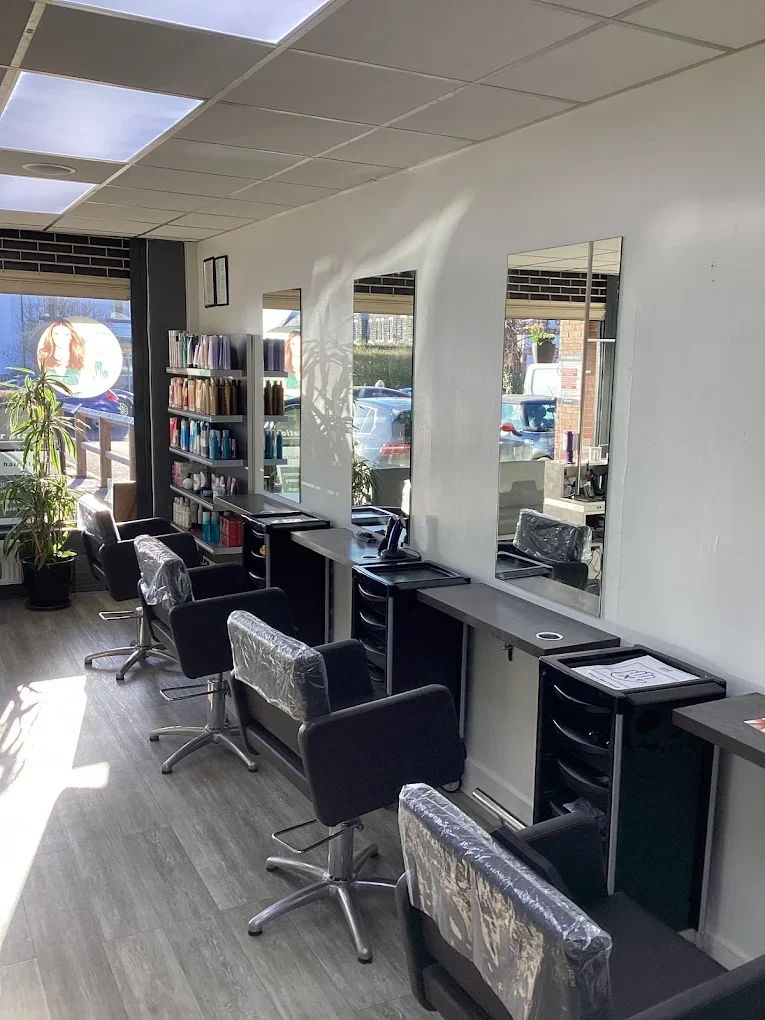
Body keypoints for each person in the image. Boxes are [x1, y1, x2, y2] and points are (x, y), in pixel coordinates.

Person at [37, 320, 86, 390]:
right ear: (51, 336)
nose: (61, 338)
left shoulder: (80, 360)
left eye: (66, 334)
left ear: (71, 336)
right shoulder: (44, 358)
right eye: (57, 334)